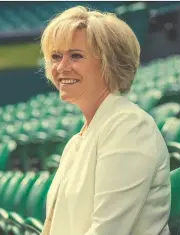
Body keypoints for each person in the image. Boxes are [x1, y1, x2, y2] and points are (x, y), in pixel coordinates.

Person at [39, 6, 171, 235]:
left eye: (76, 56)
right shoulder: (75, 143)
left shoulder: (129, 126)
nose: (61, 67)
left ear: (110, 62)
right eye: (56, 57)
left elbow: (107, 231)